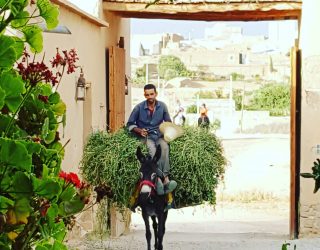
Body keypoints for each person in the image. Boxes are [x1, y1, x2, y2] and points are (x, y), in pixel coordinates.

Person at [127, 84, 177, 211]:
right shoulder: (138, 108)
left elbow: (168, 122)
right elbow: (130, 125)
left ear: (156, 94)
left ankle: (165, 178)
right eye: (147, 94)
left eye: (152, 94)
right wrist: (139, 130)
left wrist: (167, 129)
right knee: (152, 150)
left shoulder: (162, 106)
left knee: (164, 148)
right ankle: (159, 179)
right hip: (146, 137)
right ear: (145, 95)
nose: (150, 96)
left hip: (159, 135)